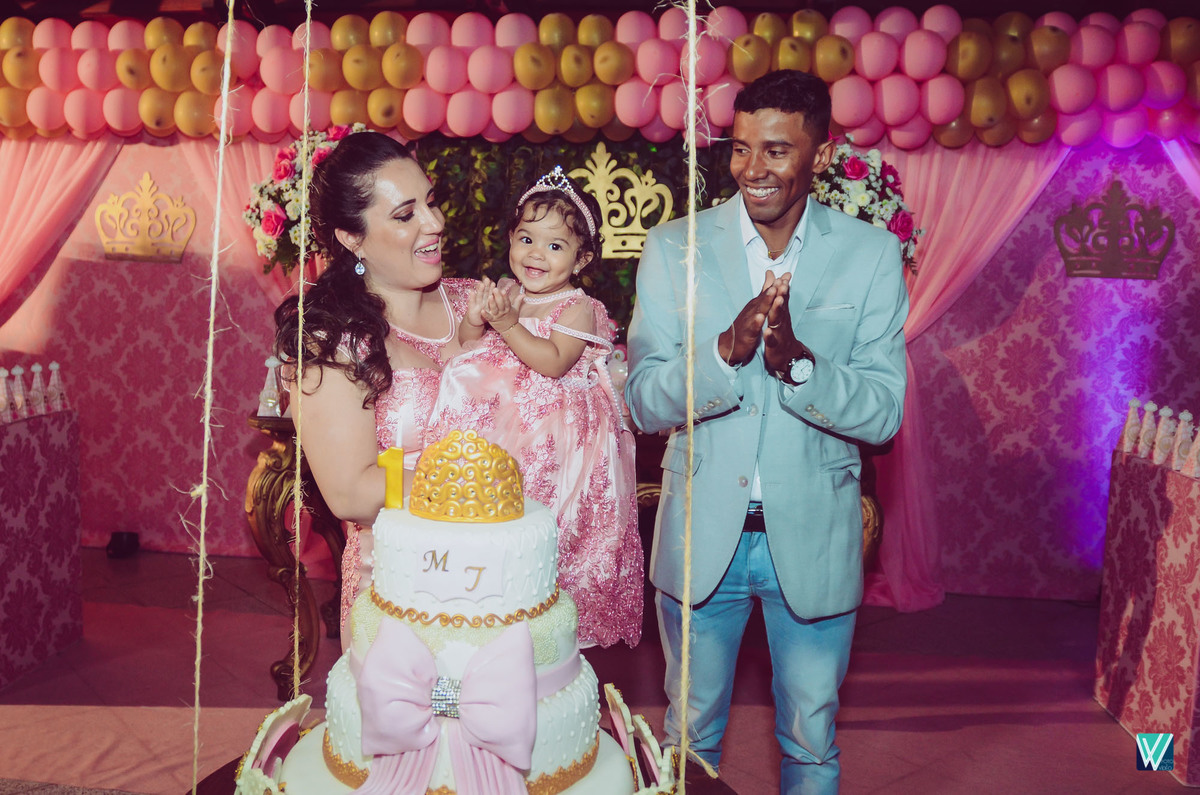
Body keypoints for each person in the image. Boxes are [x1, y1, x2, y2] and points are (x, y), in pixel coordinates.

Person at [624, 69, 908, 793]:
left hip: (814, 535)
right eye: (742, 147)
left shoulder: (871, 255)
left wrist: (801, 367)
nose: (754, 168)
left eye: (777, 150)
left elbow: (884, 412)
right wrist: (723, 354)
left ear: (820, 153)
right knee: (687, 742)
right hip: (700, 535)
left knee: (811, 742)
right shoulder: (674, 247)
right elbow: (644, 402)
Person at [428, 166, 643, 649]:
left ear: (582, 258)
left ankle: (547, 622)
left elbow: (552, 362)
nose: (536, 254)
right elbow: (464, 348)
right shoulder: (509, 293)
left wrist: (507, 325)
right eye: (526, 239)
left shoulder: (577, 307)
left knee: (545, 532)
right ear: (510, 238)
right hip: (504, 433)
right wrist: (474, 318)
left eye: (555, 245)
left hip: (554, 440)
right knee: (496, 528)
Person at [274, 131, 475, 643]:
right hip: (400, 599)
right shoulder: (331, 340)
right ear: (352, 238)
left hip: (499, 577)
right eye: (405, 215)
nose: (434, 222)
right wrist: (476, 487)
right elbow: (349, 492)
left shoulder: (477, 305)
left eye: (431, 201)